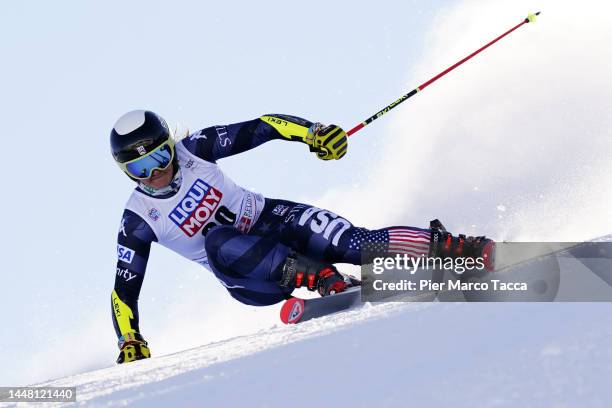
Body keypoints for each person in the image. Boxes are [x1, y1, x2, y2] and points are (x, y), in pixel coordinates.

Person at [110, 110, 495, 364]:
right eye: (139, 167)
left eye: (160, 157)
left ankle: (449, 248)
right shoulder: (138, 219)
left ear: (170, 147)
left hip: (273, 220)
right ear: (126, 171)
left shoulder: (196, 150)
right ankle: (322, 278)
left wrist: (314, 133)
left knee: (354, 243)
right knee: (218, 241)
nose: (155, 172)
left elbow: (264, 126)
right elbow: (124, 290)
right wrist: (130, 340)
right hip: (251, 277)